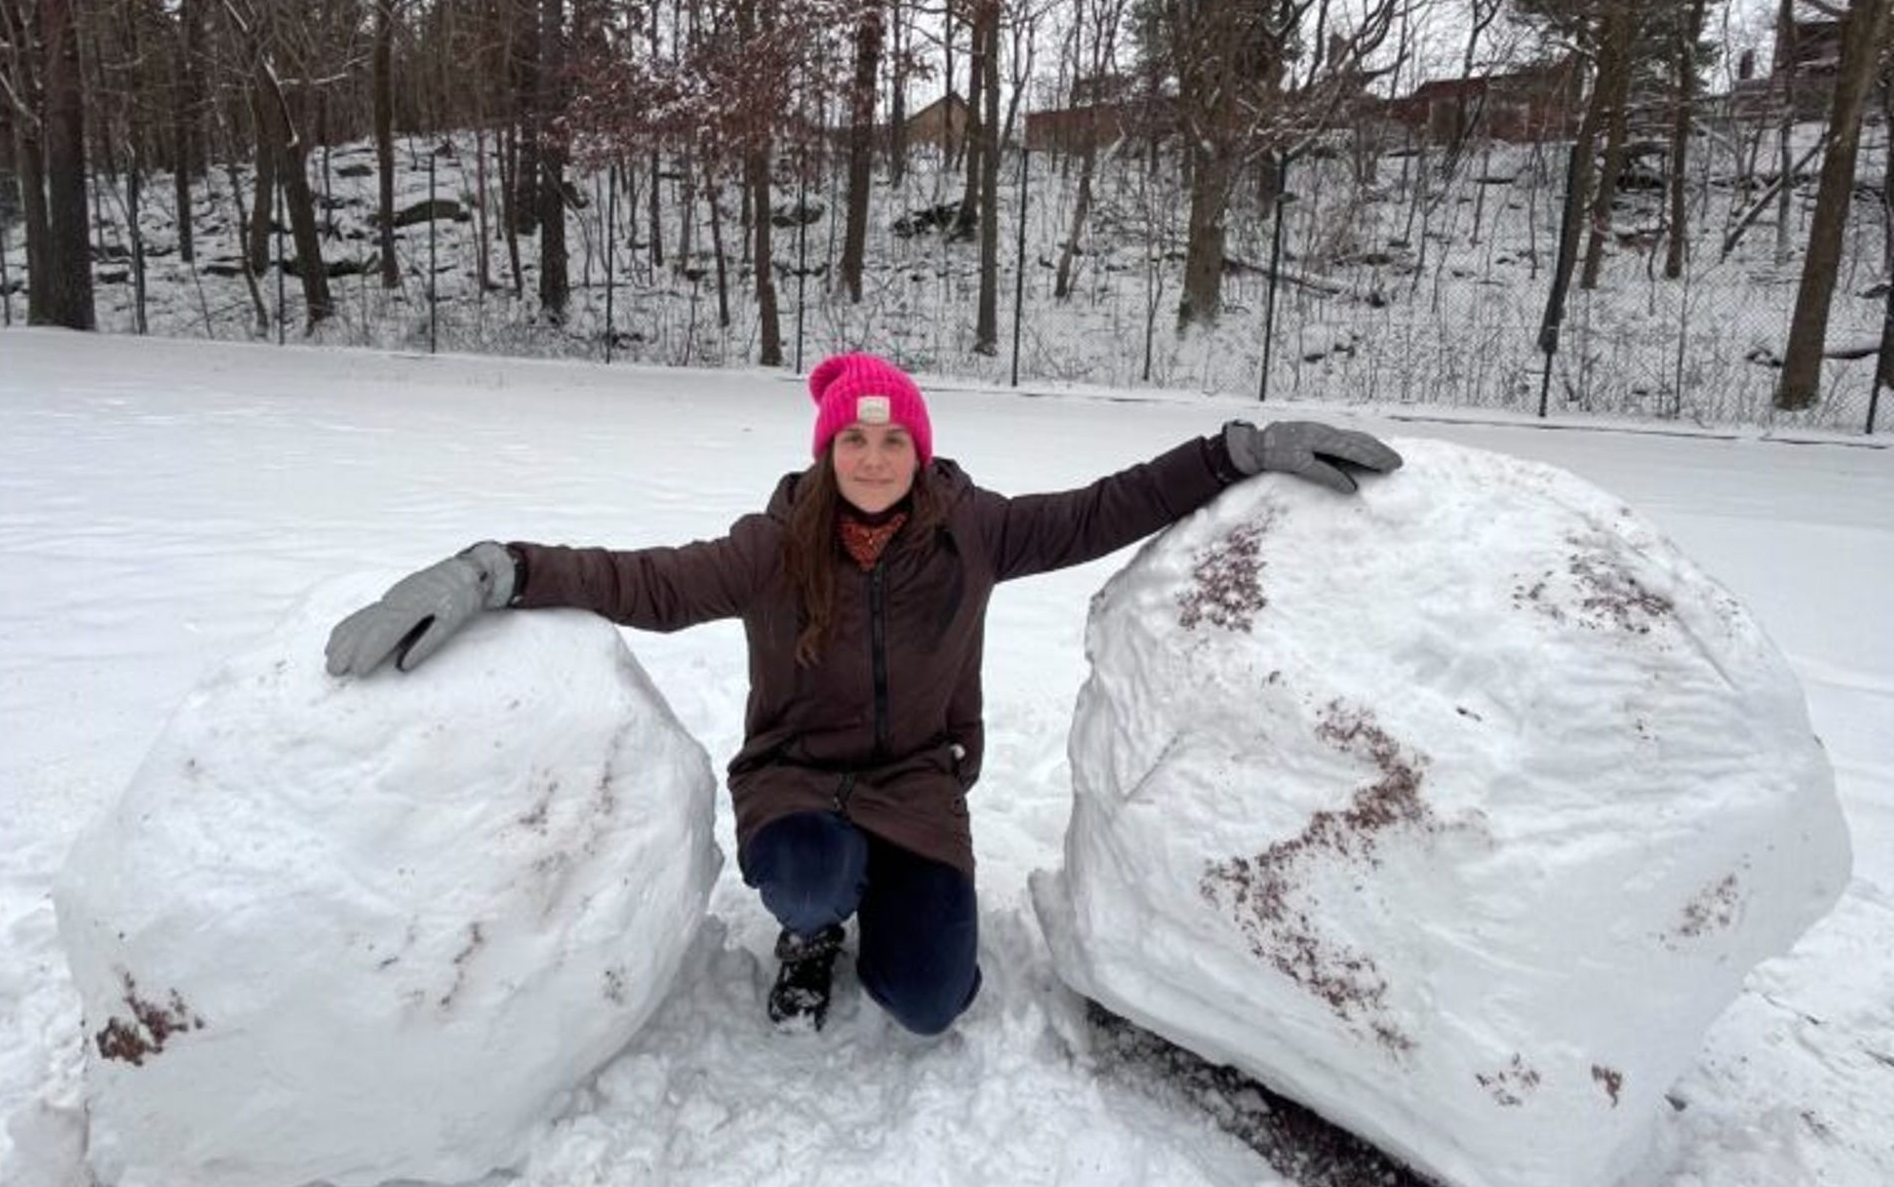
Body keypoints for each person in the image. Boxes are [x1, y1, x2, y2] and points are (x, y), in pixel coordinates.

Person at [325, 354, 1400, 1036]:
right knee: (803, 878)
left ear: (919, 450)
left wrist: (1234, 450)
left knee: (931, 1002)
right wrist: (495, 567)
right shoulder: (770, 550)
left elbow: (1104, 507)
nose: (875, 455)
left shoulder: (973, 532)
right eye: (855, 438)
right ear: (828, 450)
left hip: (916, 789)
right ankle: (812, 932)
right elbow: (644, 580)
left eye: (893, 438)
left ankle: (887, 898)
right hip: (796, 785)